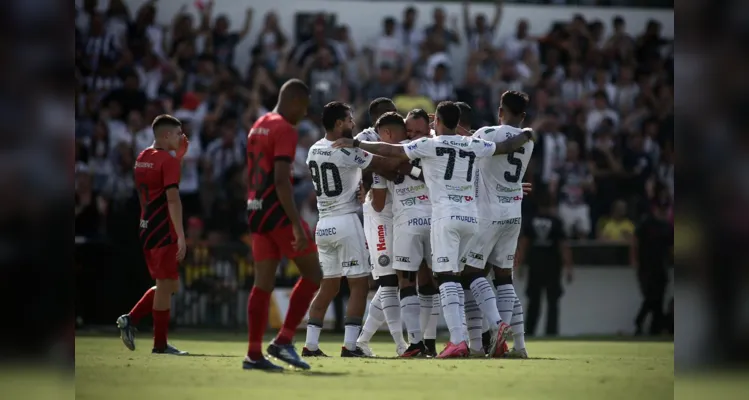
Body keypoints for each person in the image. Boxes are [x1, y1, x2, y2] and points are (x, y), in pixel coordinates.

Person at [333, 101, 533, 358]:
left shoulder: (431, 144)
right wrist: (527, 133)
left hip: (445, 218)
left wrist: (357, 144)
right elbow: (505, 147)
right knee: (468, 277)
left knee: (446, 278)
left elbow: (390, 150)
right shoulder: (474, 143)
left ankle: (458, 340)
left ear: (436, 122)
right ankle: (492, 327)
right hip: (472, 218)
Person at [303, 101, 408, 358]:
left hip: (323, 223)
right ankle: (351, 346)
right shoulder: (346, 150)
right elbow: (385, 165)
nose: (353, 124)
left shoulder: (313, 149)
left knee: (328, 286)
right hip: (346, 221)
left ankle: (310, 345)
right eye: (349, 119)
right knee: (360, 285)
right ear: (339, 123)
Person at [243, 79, 322, 371]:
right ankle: (284, 340)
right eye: (303, 108)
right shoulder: (285, 128)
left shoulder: (259, 123)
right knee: (314, 273)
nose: (302, 115)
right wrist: (297, 226)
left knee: (262, 284)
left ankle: (253, 354)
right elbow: (280, 181)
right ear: (294, 102)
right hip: (277, 211)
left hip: (255, 209)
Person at [464, 90, 534, 358]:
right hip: (514, 213)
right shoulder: (529, 141)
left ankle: (497, 324)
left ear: (500, 110)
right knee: (504, 277)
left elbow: (465, 147)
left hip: (488, 213)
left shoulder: (487, 132)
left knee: (471, 272)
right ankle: (507, 345)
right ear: (523, 115)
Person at [116, 114, 190, 355]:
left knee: (169, 285)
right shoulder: (167, 162)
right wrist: (180, 234)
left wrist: (176, 157)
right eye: (179, 133)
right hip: (163, 229)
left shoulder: (142, 157)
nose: (182, 137)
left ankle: (131, 319)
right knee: (166, 285)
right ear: (167, 135)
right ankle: (159, 344)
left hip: (146, 226)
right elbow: (172, 199)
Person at [352, 98, 409, 357]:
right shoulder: (366, 139)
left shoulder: (398, 140)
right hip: (378, 213)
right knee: (387, 281)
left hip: (395, 213)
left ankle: (361, 341)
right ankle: (400, 344)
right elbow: (375, 189)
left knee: (392, 283)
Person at [372, 112, 432, 357]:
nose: (412, 135)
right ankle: (445, 342)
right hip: (434, 221)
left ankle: (416, 343)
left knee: (405, 282)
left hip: (407, 222)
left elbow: (377, 204)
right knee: (440, 281)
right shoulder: (433, 146)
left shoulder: (384, 156)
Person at [515, 192, 573, 338]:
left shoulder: (530, 220)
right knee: (553, 301)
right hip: (553, 266)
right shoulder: (556, 221)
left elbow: (524, 244)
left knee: (533, 301)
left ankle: (529, 331)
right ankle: (551, 332)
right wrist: (568, 268)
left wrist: (520, 264)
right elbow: (563, 246)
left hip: (535, 265)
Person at [630, 199, 673, 336]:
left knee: (659, 298)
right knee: (651, 296)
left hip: (661, 266)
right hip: (646, 266)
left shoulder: (667, 226)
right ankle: (639, 321)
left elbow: (671, 247)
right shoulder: (646, 223)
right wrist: (634, 260)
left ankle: (654, 328)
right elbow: (635, 242)